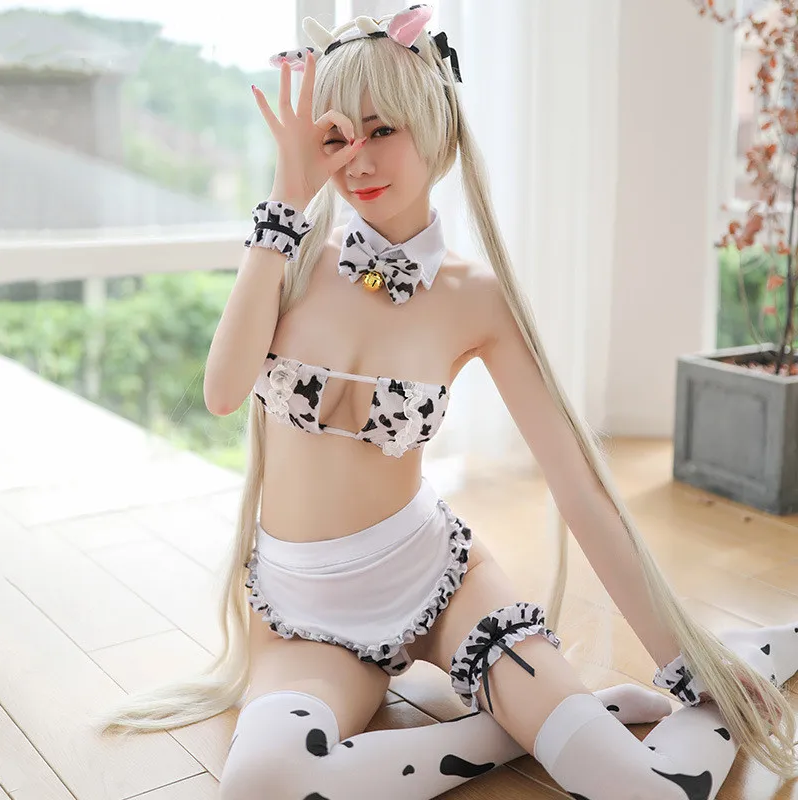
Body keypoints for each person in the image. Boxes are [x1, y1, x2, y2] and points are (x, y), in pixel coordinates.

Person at [91, 5, 798, 799]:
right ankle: (500, 733)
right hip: (302, 615)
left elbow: (580, 489)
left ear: (436, 128)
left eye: (382, 129)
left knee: (648, 793)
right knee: (262, 783)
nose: (359, 160)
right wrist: (285, 199)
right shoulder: (290, 255)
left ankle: (738, 664)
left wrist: (687, 663)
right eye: (338, 135)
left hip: (441, 583)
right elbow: (223, 392)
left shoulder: (476, 297)